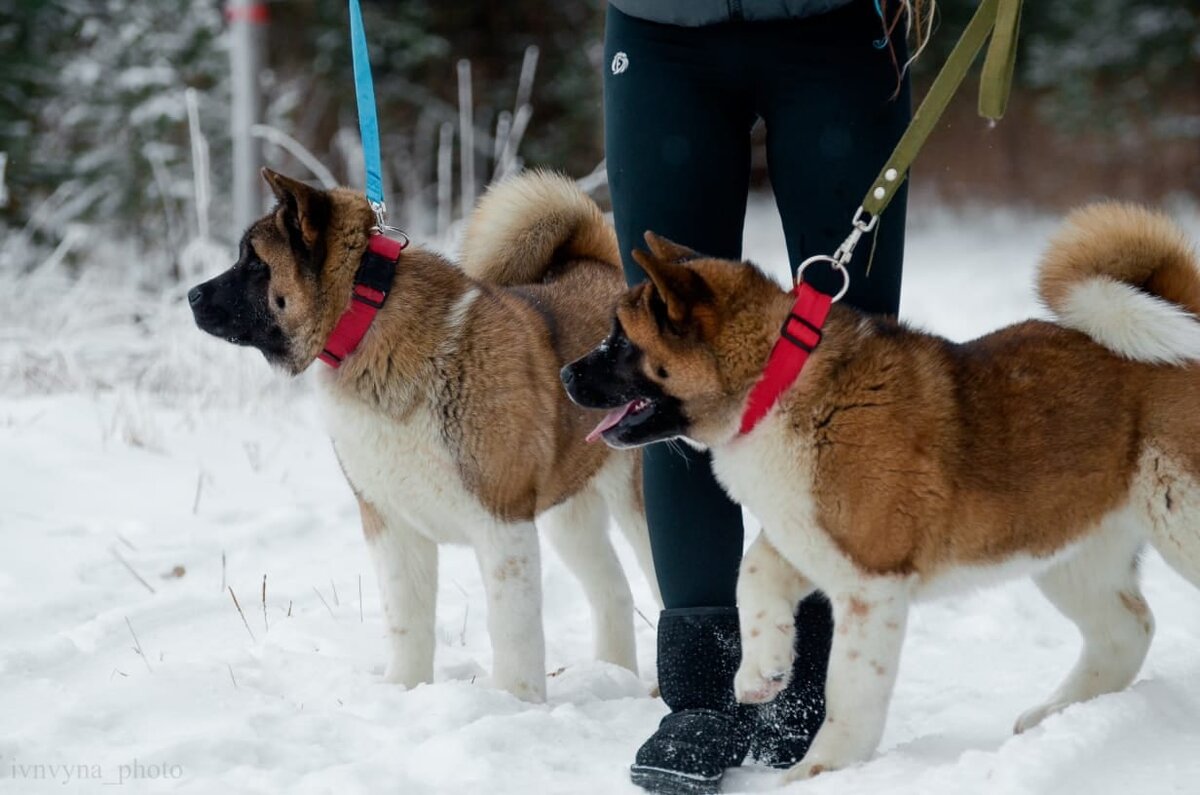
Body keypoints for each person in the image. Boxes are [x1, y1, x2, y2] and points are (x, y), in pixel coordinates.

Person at [602, 1, 915, 792]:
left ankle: (808, 669)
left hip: (838, 31)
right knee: (666, 367)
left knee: (861, 373)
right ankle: (701, 692)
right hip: (662, 36)